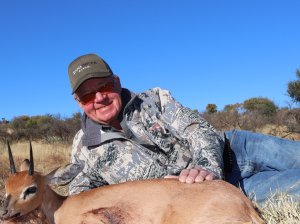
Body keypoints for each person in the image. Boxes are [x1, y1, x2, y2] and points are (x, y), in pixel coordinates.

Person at [60, 53, 300, 204]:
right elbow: (79, 195)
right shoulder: (83, 148)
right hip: (223, 193)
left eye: (104, 86)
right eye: (87, 95)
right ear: (78, 102)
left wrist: (206, 169)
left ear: (117, 82)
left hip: (236, 149)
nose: (99, 97)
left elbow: (198, 128)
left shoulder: (154, 99)